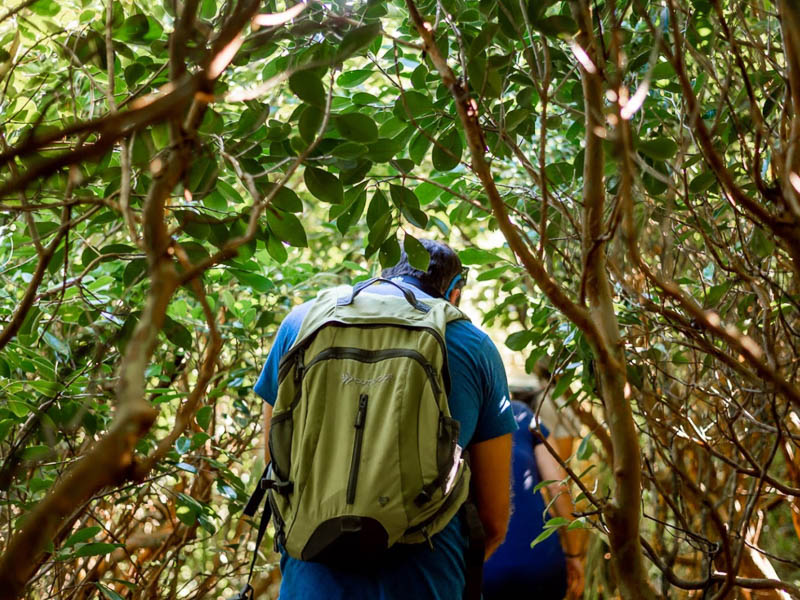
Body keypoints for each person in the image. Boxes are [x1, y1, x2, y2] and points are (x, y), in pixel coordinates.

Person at [253, 239, 516, 599]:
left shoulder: (301, 324)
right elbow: (494, 519)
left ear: (383, 275)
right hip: (426, 577)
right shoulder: (474, 347)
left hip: (313, 573)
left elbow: (273, 461)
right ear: (454, 292)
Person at [483, 399, 586, 599]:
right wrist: (574, 555)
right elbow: (557, 486)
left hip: (484, 563)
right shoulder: (521, 413)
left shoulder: (457, 420)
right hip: (541, 560)